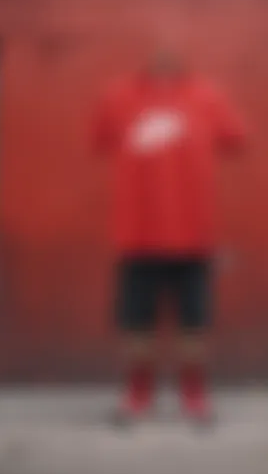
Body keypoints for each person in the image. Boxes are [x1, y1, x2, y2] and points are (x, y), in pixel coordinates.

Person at [91, 42, 246, 426]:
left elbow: (236, 138)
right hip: (137, 234)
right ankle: (138, 394)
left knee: (194, 325)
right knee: (136, 324)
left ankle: (193, 395)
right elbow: (99, 139)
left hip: (194, 236)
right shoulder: (117, 97)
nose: (164, 51)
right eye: (156, 46)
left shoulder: (209, 96)